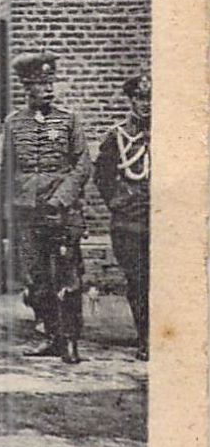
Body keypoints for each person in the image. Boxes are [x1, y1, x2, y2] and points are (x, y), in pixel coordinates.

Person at [4, 52, 93, 364]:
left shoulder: (68, 121)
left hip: (62, 212)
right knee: (37, 279)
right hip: (28, 213)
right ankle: (52, 336)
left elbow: (82, 165)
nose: (49, 90)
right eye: (42, 85)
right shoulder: (13, 124)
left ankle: (70, 340)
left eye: (51, 83)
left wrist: (61, 198)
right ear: (28, 87)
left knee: (68, 278)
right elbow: (7, 169)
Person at [94, 72, 150, 360]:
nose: (146, 104)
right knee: (139, 281)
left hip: (164, 223)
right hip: (129, 224)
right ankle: (145, 338)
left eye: (150, 98)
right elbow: (102, 175)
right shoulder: (117, 136)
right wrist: (117, 202)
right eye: (140, 98)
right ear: (130, 100)